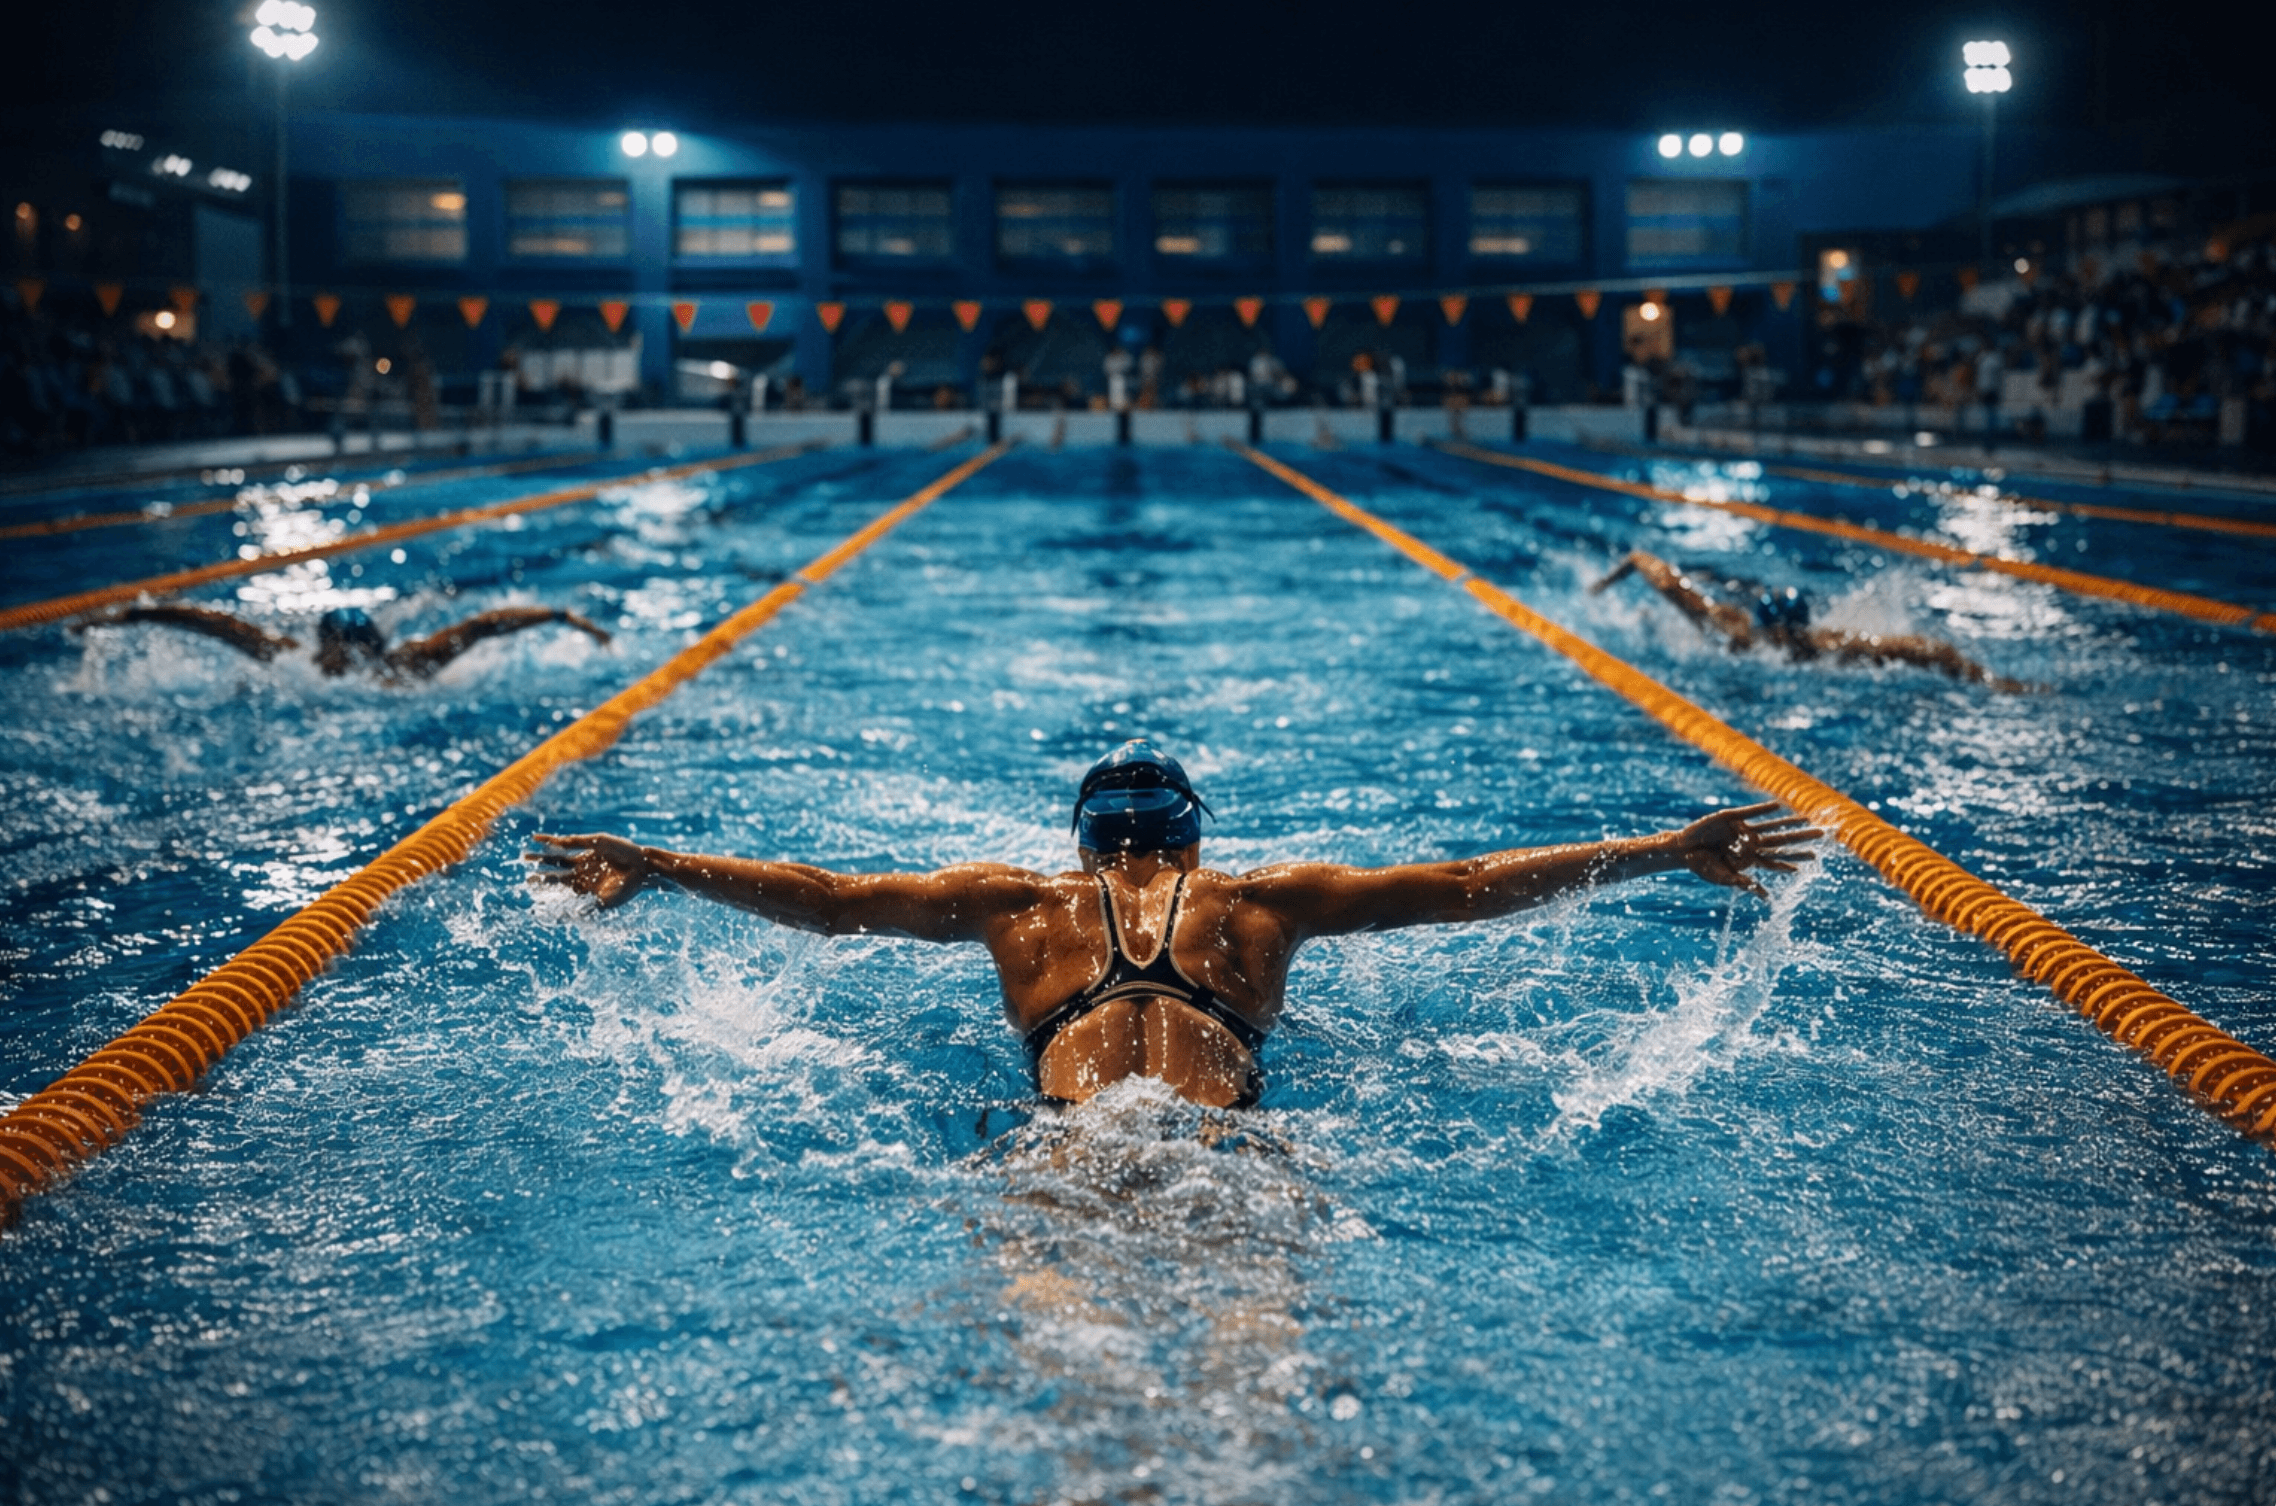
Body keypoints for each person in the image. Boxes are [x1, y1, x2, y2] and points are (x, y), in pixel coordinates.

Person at [526, 740, 1820, 1111]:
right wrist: (1657, 847)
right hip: (1231, 1164)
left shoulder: (1019, 904)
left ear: (1080, 844)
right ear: (1194, 840)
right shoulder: (1259, 903)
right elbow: (1470, 882)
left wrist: (660, 861)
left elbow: (829, 901)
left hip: (1068, 1162)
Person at [1591, 549, 2028, 692]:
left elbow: (1924, 649)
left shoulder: (1827, 645)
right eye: (1780, 636)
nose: (1789, 645)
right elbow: (1655, 570)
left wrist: (1987, 679)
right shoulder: (1726, 629)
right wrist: (1610, 580)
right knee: (1653, 618)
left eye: (1794, 635)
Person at [85, 602, 610, 680]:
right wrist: (132, 616)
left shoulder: (408, 667)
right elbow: (213, 625)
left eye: (350, 651)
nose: (338, 660)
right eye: (334, 649)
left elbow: (482, 626)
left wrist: (561, 617)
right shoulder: (293, 662)